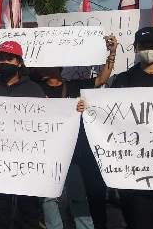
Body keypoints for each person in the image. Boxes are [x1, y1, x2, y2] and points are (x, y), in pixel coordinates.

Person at [32, 35, 118, 229]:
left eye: (43, 65)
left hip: (73, 151)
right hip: (47, 151)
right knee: (48, 198)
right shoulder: (35, 89)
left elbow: (102, 78)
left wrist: (112, 52)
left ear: (56, 67)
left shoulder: (74, 86)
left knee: (78, 196)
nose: (39, 69)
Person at [110, 27, 153, 229]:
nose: (148, 50)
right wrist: (88, 107)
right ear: (135, 48)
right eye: (143, 46)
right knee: (138, 221)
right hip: (135, 167)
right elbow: (108, 114)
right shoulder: (123, 80)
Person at [0, 41, 47, 229]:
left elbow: (50, 121)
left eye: (8, 58)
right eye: (0, 59)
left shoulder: (34, 90)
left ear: (19, 62)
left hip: (26, 163)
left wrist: (71, 110)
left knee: (27, 211)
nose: (3, 62)